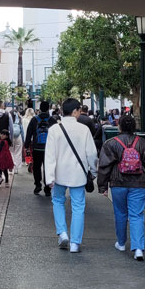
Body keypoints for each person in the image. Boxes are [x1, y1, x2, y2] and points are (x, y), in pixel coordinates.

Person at [97, 114, 145, 261]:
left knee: (120, 213)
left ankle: (121, 242)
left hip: (118, 182)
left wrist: (102, 186)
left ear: (119, 126)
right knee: (136, 215)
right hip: (139, 183)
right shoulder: (142, 143)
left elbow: (104, 166)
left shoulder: (111, 143)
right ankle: (138, 248)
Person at [44, 98, 99, 253]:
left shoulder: (55, 129)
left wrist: (49, 177)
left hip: (59, 173)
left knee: (58, 201)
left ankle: (62, 233)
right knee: (78, 206)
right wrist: (93, 173)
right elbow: (92, 154)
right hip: (78, 175)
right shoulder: (84, 130)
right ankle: (75, 243)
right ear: (75, 111)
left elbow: (50, 155)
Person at [25, 101, 54, 197]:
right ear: (48, 108)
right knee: (48, 168)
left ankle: (37, 185)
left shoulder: (34, 120)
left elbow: (29, 133)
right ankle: (47, 188)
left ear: (40, 109)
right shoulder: (52, 120)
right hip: (49, 149)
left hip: (37, 148)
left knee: (37, 167)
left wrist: (26, 145)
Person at [8, 106, 24, 173]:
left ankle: (11, 166)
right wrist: (23, 139)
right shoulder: (20, 119)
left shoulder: (9, 119)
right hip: (18, 137)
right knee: (18, 152)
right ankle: (16, 168)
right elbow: (22, 130)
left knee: (11, 152)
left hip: (10, 137)